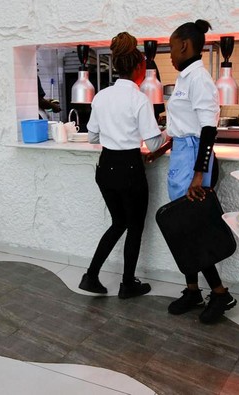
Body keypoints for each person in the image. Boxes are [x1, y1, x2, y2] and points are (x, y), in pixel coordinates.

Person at [79, 32, 167, 299]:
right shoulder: (139, 99)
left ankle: (90, 276)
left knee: (118, 223)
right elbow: (153, 144)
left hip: (106, 167)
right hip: (129, 168)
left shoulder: (101, 96)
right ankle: (127, 284)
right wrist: (170, 133)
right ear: (140, 66)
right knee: (135, 227)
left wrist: (113, 131)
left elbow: (93, 136)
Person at [163, 19, 237, 324]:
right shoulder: (184, 78)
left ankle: (220, 293)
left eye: (170, 47)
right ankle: (192, 290)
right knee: (183, 228)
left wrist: (199, 175)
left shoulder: (200, 80)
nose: (169, 54)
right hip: (182, 156)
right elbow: (183, 126)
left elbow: (209, 130)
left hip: (196, 161)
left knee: (194, 229)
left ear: (184, 44)